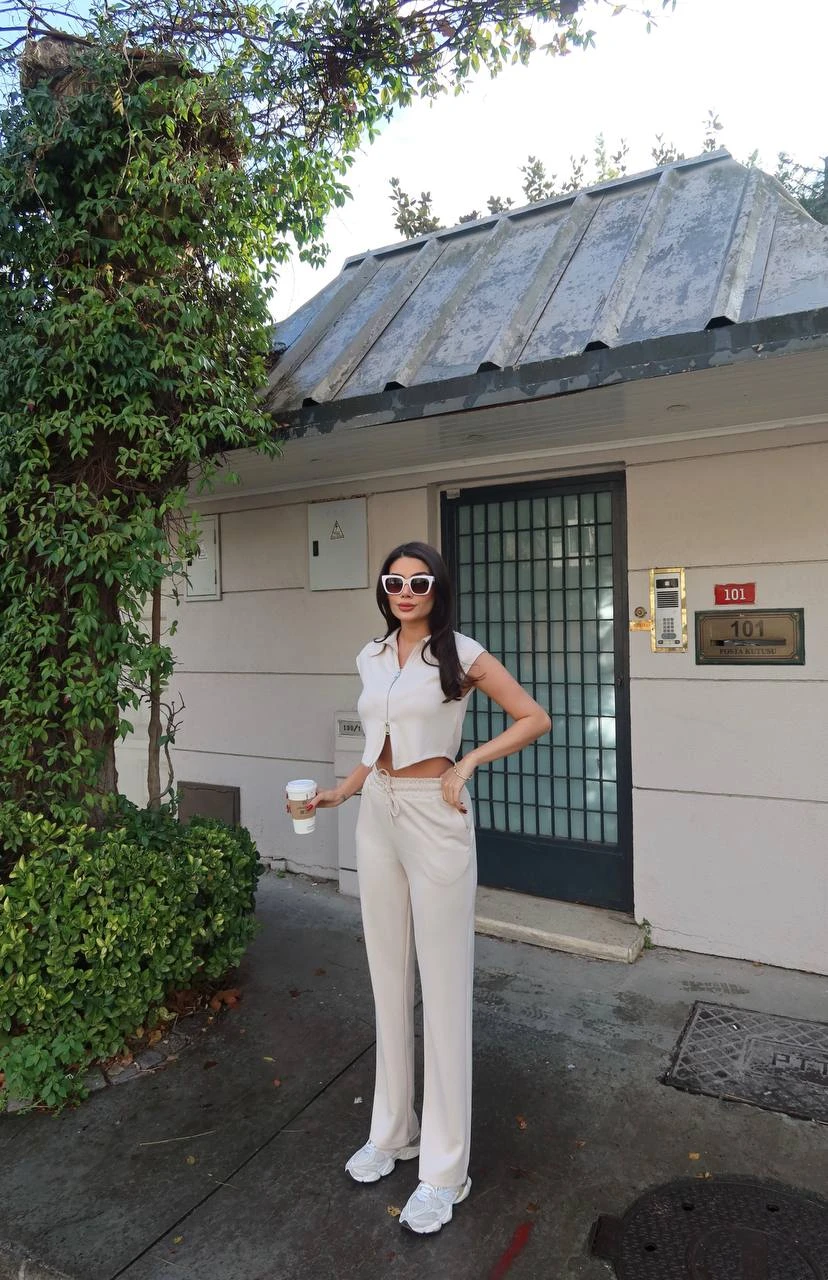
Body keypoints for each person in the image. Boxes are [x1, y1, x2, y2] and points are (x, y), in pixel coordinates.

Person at [308, 541, 551, 1235]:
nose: (406, 592)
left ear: (438, 589)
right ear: (383, 589)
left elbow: (534, 717)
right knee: (386, 977)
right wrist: (341, 792)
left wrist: (466, 764)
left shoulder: (461, 655)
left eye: (419, 582)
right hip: (377, 813)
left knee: (443, 990)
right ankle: (394, 1133)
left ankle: (445, 1170)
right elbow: (374, 745)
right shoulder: (371, 656)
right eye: (395, 581)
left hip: (434, 814)